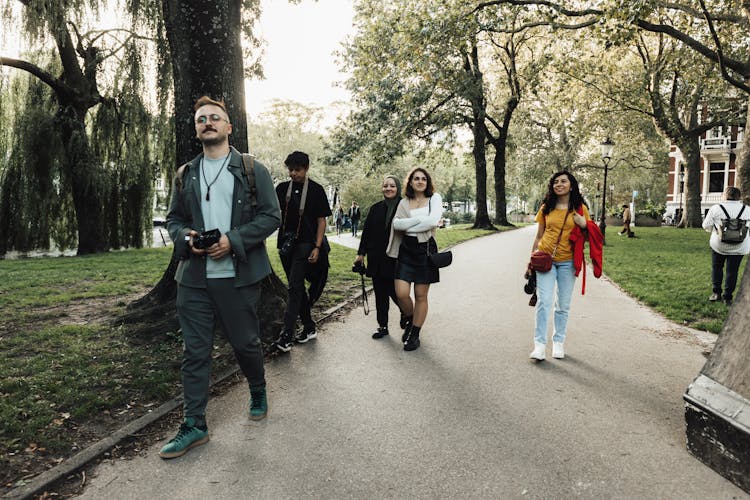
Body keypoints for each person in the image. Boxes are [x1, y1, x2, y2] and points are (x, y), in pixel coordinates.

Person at [162, 96, 281, 458]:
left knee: (245, 343)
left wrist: (233, 240)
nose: (208, 122)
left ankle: (257, 388)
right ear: (196, 129)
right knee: (195, 352)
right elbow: (173, 220)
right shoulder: (186, 173)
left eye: (215, 118)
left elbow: (271, 216)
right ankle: (194, 425)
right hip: (194, 280)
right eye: (202, 119)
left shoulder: (251, 168)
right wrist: (188, 240)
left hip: (237, 277)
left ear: (229, 127)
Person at [272, 151, 332, 352]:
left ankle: (286, 335)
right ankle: (309, 327)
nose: (293, 174)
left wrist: (316, 246)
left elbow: (321, 220)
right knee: (296, 287)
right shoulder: (281, 189)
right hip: (286, 243)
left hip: (306, 243)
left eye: (297, 170)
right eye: (290, 170)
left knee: (294, 287)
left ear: (306, 169)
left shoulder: (315, 190)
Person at [529, 171, 590, 361]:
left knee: (562, 305)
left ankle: (558, 342)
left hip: (568, 262)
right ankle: (539, 345)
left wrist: (584, 224)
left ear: (571, 185)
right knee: (544, 301)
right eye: (556, 182)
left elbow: (590, 238)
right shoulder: (547, 207)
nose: (559, 184)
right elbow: (539, 236)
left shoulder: (580, 209)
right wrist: (531, 259)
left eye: (563, 181)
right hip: (545, 258)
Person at [386, 167, 443, 351]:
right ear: (410, 182)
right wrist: (418, 222)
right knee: (401, 293)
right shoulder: (404, 202)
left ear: (427, 182)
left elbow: (432, 222)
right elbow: (396, 224)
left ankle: (414, 334)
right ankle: (410, 318)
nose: (420, 181)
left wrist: (408, 225)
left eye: (423, 179)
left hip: (425, 250)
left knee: (420, 295)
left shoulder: (434, 199)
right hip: (406, 250)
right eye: (416, 178)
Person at [354, 175, 404, 339]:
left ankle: (408, 315)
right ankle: (382, 326)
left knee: (396, 292)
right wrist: (361, 254)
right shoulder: (375, 208)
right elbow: (366, 233)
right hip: (375, 258)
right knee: (380, 293)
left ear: (398, 188)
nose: (388, 188)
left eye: (392, 186)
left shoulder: (404, 207)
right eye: (385, 186)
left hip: (396, 258)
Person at [701, 186, 750, 305]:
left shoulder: (716, 208)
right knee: (732, 271)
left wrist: (716, 230)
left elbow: (706, 225)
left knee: (717, 268)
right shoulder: (747, 209)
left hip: (719, 246)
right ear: (739, 197)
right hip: (740, 247)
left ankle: (716, 293)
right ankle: (728, 297)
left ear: (724, 195)